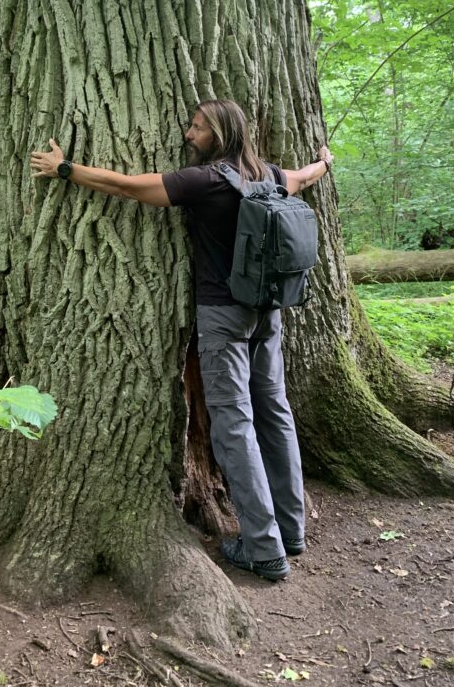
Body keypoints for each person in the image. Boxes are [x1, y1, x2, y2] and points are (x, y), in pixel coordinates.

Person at [30, 99, 333, 582]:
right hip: (268, 312)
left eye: (197, 128)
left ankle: (264, 548)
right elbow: (305, 176)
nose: (187, 134)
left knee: (234, 424)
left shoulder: (206, 181)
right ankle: (291, 530)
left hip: (223, 314)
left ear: (219, 134)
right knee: (274, 411)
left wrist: (65, 168)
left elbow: (126, 187)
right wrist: (325, 162)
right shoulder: (271, 176)